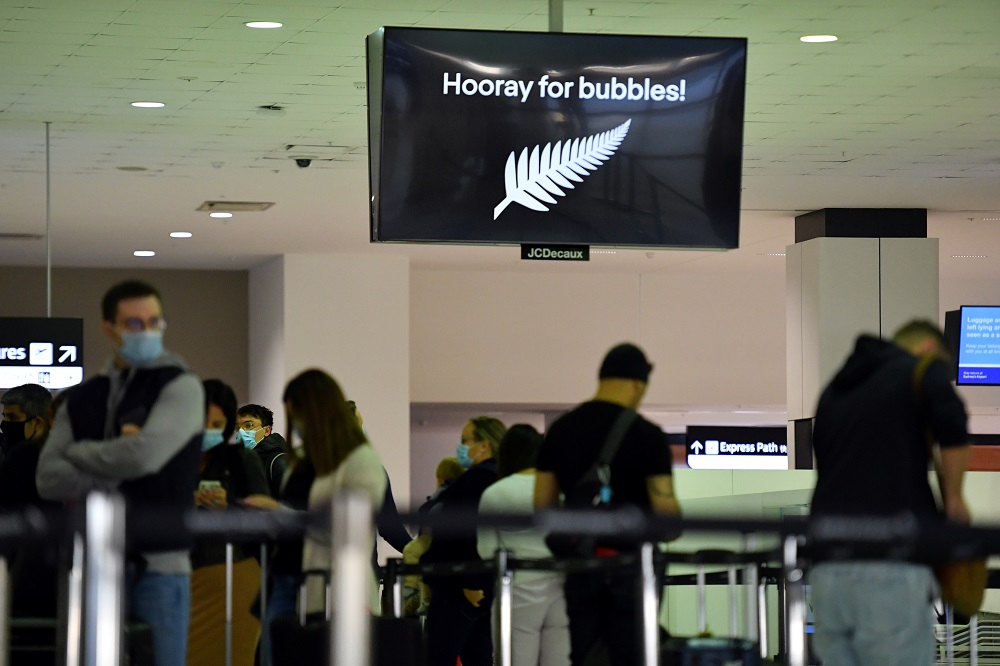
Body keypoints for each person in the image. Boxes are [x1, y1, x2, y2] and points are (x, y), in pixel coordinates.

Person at [36, 279, 204, 666]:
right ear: (109, 329)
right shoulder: (83, 397)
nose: (146, 332)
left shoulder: (181, 387)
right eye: (133, 324)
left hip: (160, 565)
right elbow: (48, 477)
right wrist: (116, 462)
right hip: (93, 561)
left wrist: (79, 453)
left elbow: (145, 456)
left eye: (154, 322)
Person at [808, 320, 972, 666]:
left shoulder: (833, 391)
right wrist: (954, 500)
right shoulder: (922, 370)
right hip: (889, 567)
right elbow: (953, 425)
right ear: (928, 350)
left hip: (826, 571)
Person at [534, 342, 680, 666]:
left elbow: (542, 509)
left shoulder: (561, 431)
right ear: (637, 384)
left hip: (580, 567)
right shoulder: (648, 436)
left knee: (585, 654)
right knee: (634, 654)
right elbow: (668, 522)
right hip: (633, 569)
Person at [286, 370, 387, 614]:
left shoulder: (361, 461)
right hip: (300, 585)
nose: (297, 424)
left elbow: (349, 528)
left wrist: (284, 517)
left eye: (299, 415)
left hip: (346, 591)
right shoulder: (301, 461)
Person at [188, 379, 270, 666]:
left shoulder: (240, 460)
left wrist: (228, 506)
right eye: (202, 421)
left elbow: (265, 519)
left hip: (233, 574)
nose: (208, 431)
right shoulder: (172, 461)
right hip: (180, 578)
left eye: (217, 424)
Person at [478, 424, 570, 666]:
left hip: (517, 588)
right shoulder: (561, 490)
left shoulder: (495, 493)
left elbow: (486, 550)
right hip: (563, 586)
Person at [423, 416, 506, 666]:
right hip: (474, 585)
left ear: (484, 445)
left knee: (436, 656)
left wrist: (471, 581)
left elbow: (469, 533)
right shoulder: (493, 477)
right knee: (477, 656)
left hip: (460, 587)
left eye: (464, 441)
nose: (460, 446)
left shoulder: (479, 480)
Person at [0, 383, 60, 618]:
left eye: (13, 417)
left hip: (28, 577)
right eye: (4, 416)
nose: (5, 424)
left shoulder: (26, 459)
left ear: (37, 422)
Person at [402, 456, 465, 616]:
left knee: (413, 552)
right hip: (449, 543)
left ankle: (410, 588)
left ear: (440, 477)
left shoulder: (444, 493)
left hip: (435, 539)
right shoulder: (461, 492)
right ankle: (424, 599)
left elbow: (426, 511)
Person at [236, 403, 287, 498]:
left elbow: (295, 508)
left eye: (249, 425)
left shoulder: (278, 462)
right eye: (238, 428)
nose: (241, 432)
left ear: (267, 431)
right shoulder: (241, 461)